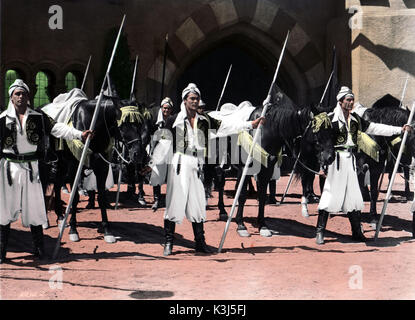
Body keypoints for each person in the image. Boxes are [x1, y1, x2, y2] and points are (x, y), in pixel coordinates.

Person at [146, 83, 265, 256]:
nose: (195, 102)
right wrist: (152, 164)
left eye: (197, 99)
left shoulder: (205, 121)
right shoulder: (173, 121)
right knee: (174, 204)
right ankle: (169, 242)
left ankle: (200, 243)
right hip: (179, 164)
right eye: (192, 99)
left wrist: (250, 125)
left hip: (198, 165)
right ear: (185, 100)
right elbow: (163, 145)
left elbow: (228, 125)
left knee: (197, 205)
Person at [0, 79, 93, 263]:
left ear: (28, 96)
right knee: (4, 211)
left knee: (34, 208)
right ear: (11, 98)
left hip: (32, 169)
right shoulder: (2, 119)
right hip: (9, 169)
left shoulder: (39, 116)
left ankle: (39, 248)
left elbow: (57, 128)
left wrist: (78, 134)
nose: (21, 97)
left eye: (24, 93)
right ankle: (1, 252)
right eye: (17, 94)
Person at [315, 86, 411, 245]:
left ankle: (356, 232)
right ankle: (320, 231)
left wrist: (399, 130)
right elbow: (322, 143)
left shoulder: (355, 120)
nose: (351, 102)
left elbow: (375, 128)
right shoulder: (329, 119)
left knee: (354, 197)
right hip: (336, 162)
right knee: (330, 195)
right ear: (340, 101)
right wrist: (323, 164)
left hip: (350, 162)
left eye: (352, 99)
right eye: (348, 100)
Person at [149, 97, 174, 211]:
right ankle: (157, 199)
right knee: (157, 173)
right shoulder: (155, 120)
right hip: (158, 149)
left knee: (171, 175)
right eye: (164, 108)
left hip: (171, 150)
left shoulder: (174, 120)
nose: (166, 111)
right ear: (161, 108)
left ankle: (170, 199)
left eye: (168, 109)